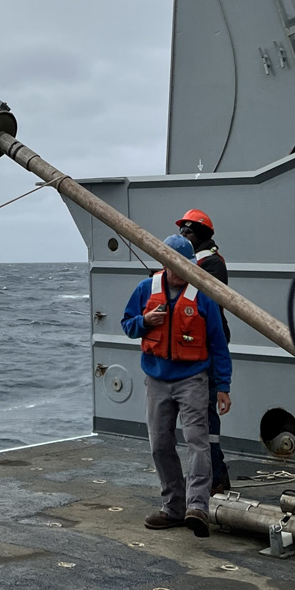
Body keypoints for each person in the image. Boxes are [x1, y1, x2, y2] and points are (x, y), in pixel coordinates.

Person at [121, 234, 232, 538]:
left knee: (198, 442)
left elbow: (218, 344)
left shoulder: (203, 296)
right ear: (164, 262)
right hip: (157, 380)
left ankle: (197, 508)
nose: (177, 271)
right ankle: (173, 507)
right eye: (172, 264)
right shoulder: (146, 289)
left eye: (182, 265)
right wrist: (145, 321)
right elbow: (127, 325)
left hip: (192, 379)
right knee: (160, 444)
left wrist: (223, 385)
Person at [176, 208, 230, 493]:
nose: (184, 234)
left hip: (208, 344)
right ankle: (213, 473)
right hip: (190, 344)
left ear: (202, 235)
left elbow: (202, 293)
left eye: (189, 231)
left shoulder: (213, 264)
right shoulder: (189, 263)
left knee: (206, 412)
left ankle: (215, 474)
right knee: (196, 413)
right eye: (182, 230)